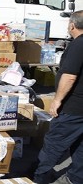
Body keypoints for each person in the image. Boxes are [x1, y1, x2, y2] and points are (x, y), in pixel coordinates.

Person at [34, 10, 83, 184]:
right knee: (80, 145)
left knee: (54, 144)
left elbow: (70, 75)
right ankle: (76, 178)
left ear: (72, 25)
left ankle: (37, 178)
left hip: (74, 107)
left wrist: (57, 100)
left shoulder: (79, 44)